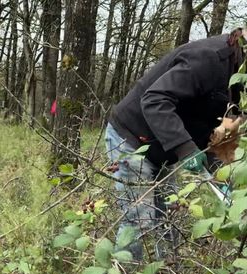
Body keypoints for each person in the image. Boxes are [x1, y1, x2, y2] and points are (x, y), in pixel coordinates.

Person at [105, 29, 245, 261]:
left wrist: (223, 176)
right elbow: (155, 100)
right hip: (130, 138)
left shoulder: (238, 80)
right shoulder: (208, 59)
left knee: (169, 215)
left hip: (165, 147)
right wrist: (186, 149)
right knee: (139, 219)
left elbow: (209, 125)